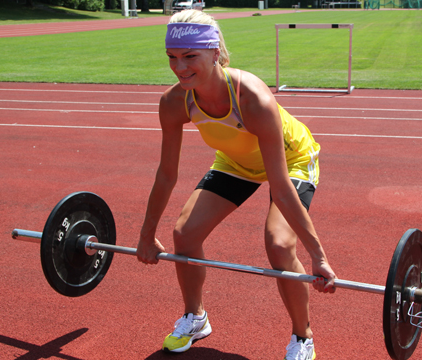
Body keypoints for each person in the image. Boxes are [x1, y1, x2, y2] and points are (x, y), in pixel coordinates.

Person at [136, 9, 337, 360]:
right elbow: (167, 173)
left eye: (189, 57)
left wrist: (317, 256)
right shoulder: (174, 102)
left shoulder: (253, 99)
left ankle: (303, 337)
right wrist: (145, 233)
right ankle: (195, 317)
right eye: (171, 57)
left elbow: (278, 181)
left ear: (215, 53)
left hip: (291, 162)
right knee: (184, 234)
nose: (179, 67)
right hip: (235, 162)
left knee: (278, 244)